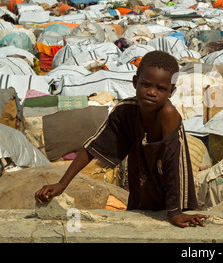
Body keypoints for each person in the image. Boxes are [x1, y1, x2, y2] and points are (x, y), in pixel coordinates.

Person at [35, 51, 208, 228]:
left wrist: (175, 213)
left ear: (171, 92)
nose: (151, 92)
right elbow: (92, 147)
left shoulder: (168, 115)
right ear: (135, 83)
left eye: (161, 89)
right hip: (141, 191)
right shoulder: (125, 111)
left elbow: (173, 164)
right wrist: (62, 184)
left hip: (174, 195)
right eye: (146, 85)